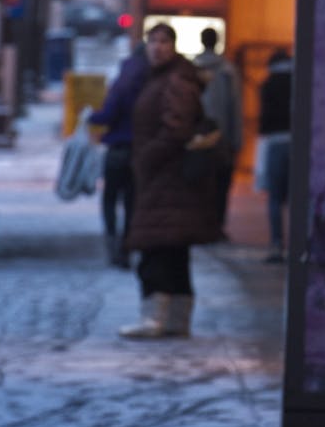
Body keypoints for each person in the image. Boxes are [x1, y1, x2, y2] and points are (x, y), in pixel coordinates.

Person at [119, 23, 221, 339]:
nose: (157, 48)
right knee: (173, 250)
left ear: (174, 46)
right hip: (167, 178)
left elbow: (175, 128)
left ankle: (155, 317)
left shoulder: (175, 80)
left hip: (166, 177)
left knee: (156, 247)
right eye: (153, 41)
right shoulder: (163, 77)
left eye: (164, 42)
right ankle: (176, 318)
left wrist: (146, 158)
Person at [86, 42, 149, 268]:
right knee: (132, 202)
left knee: (110, 199)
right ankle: (126, 245)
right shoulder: (152, 84)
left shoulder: (123, 82)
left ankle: (112, 242)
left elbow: (107, 115)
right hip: (140, 152)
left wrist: (92, 117)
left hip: (117, 151)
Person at [193, 26, 243, 240]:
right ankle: (217, 226)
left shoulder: (192, 69)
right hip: (222, 138)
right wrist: (236, 140)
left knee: (199, 182)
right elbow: (235, 107)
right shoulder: (227, 70)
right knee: (221, 185)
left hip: (197, 137)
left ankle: (199, 224)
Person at [255, 49, 292, 263]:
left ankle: (277, 244)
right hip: (297, 142)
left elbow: (264, 118)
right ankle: (298, 246)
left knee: (275, 198)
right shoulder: (299, 82)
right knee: (297, 198)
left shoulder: (268, 84)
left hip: (275, 141)